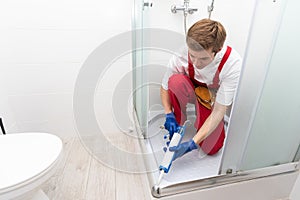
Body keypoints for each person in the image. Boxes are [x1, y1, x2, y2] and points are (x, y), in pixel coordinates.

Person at [161, 18, 242, 160]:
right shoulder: (182, 53)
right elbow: (164, 87)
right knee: (175, 81)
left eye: (203, 58)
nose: (196, 63)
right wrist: (168, 113)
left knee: (212, 148)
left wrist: (192, 144)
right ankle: (179, 120)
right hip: (189, 89)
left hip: (210, 99)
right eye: (192, 56)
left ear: (218, 50)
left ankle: (201, 119)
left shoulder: (232, 64)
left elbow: (218, 111)